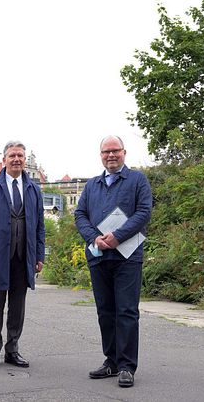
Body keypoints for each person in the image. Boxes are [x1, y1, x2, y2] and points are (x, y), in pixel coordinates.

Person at [74, 135, 152, 388]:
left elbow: (143, 212)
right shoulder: (92, 185)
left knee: (127, 311)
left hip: (127, 257)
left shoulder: (137, 180)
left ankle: (127, 366)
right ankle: (111, 361)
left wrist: (118, 237)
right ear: (101, 155)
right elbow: (80, 214)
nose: (111, 155)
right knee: (105, 311)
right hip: (99, 256)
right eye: (106, 152)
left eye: (115, 151)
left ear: (124, 152)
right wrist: (94, 237)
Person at [0, 140, 45, 370]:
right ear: (3, 159)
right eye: (12, 155)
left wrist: (39, 255)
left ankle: (12, 350)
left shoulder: (33, 189)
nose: (17, 159)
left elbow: (39, 226)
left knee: (18, 307)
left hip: (23, 257)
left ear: (25, 160)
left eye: (20, 156)